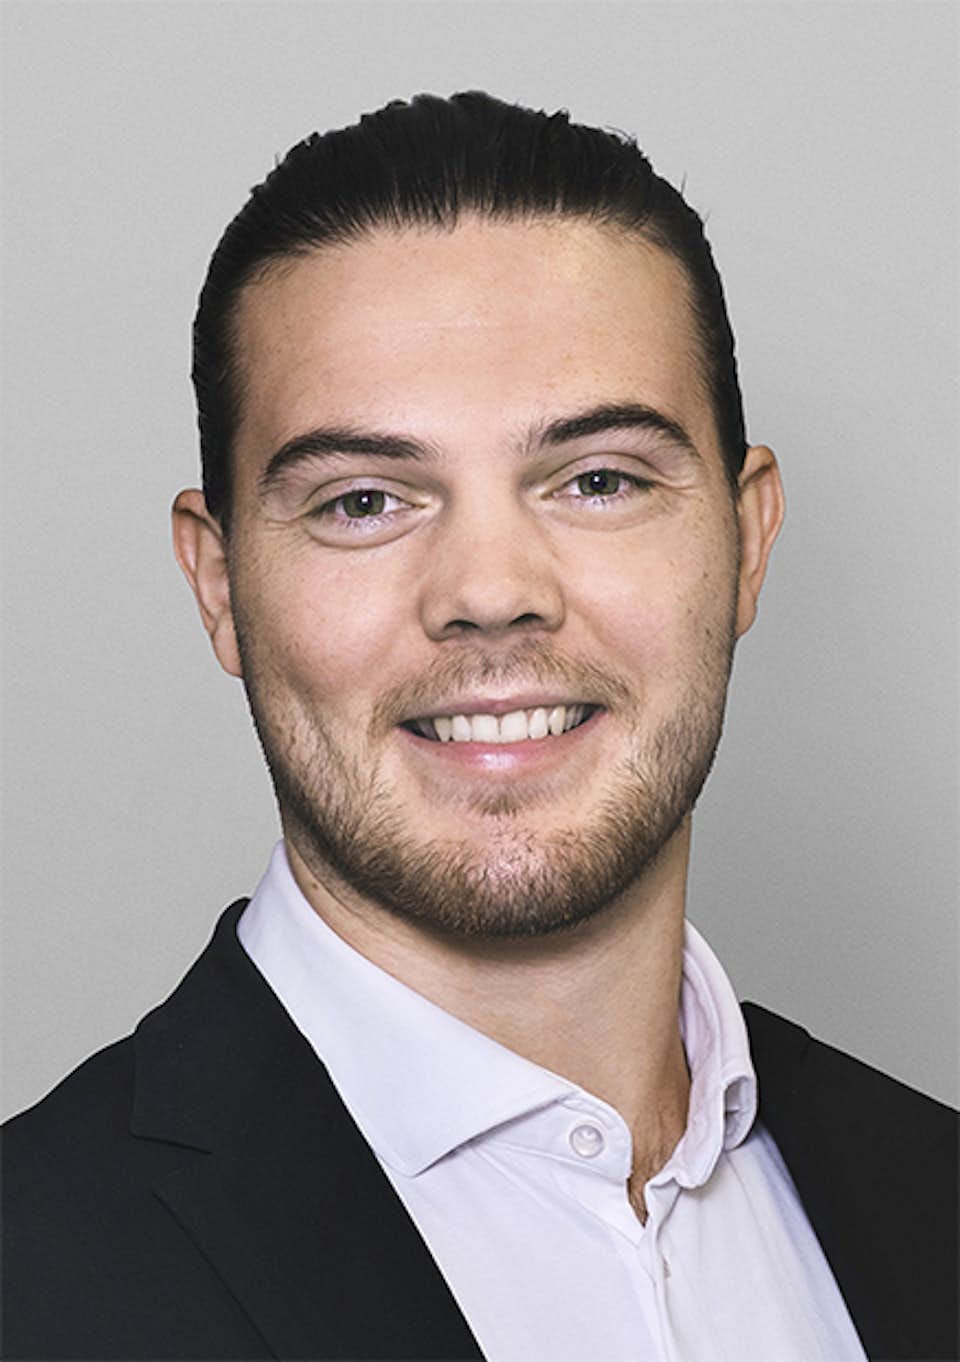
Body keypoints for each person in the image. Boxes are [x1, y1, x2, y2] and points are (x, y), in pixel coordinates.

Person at [2, 91, 955, 1362]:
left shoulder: (931, 1195)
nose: (490, 591)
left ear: (748, 538)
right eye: (362, 501)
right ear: (220, 584)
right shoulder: (31, 1276)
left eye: (599, 479)